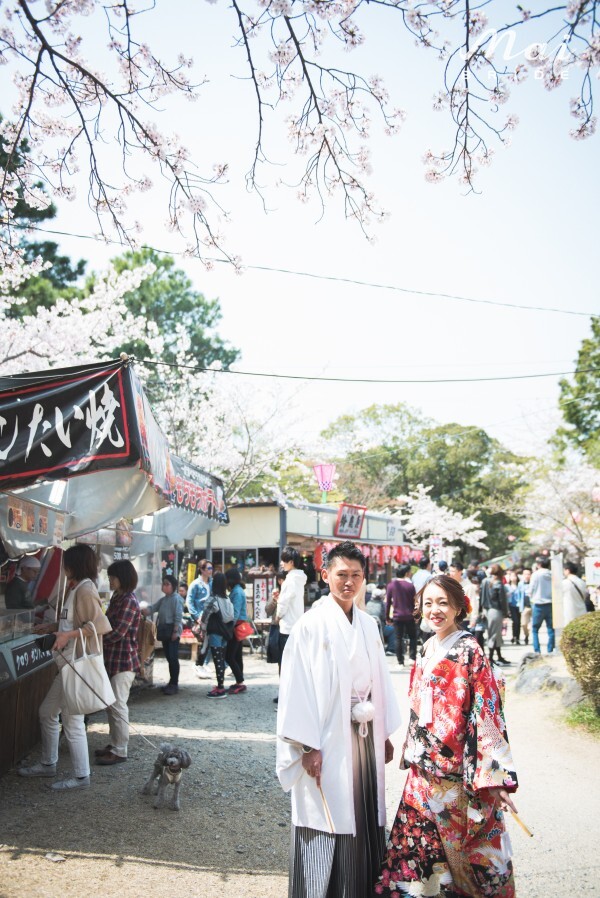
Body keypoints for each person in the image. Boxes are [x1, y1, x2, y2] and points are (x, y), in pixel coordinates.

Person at [374, 574, 519, 898]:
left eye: (443, 603)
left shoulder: (470, 650)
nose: (434, 610)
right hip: (423, 770)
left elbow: (487, 711)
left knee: (464, 856)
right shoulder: (428, 646)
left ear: (458, 607)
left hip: (457, 775)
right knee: (418, 851)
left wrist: (495, 776)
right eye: (428, 604)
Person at [276, 541, 401, 898]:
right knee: (326, 809)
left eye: (356, 575)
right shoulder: (310, 625)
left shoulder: (368, 623)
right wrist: (307, 745)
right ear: (325, 574)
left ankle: (360, 888)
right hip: (326, 734)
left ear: (365, 577)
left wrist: (383, 733)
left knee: (362, 809)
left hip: (363, 731)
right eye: (341, 574)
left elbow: (379, 679)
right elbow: (296, 687)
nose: (349, 582)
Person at [18, 544, 111, 791]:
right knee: (47, 712)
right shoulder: (76, 587)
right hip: (68, 665)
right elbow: (75, 621)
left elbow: (100, 626)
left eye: (66, 563)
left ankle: (81, 776)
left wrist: (67, 635)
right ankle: (49, 764)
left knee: (72, 721)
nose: (62, 568)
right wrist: (52, 629)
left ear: (74, 564)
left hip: (77, 666)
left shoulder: (86, 589)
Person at [96, 560, 142, 766]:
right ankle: (114, 744)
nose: (109, 581)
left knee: (118, 706)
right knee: (112, 705)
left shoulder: (129, 600)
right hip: (114, 659)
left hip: (124, 660)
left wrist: (94, 638)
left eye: (112, 577)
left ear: (122, 578)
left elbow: (117, 633)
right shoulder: (118, 597)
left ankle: (120, 750)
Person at [272, 546, 307, 704]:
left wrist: (277, 616)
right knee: (294, 664)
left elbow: (283, 603)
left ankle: (286, 696)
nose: (281, 563)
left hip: (287, 627)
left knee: (285, 664)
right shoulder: (299, 579)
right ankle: (292, 695)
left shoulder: (290, 580)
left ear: (291, 562)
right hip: (297, 625)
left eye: (284, 560)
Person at [143, 574, 183, 694]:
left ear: (173, 586)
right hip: (165, 631)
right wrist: (143, 610)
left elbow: (178, 616)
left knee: (173, 658)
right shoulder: (164, 599)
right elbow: (153, 608)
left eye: (167, 584)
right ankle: (171, 682)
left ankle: (174, 684)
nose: (164, 586)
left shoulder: (177, 599)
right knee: (169, 657)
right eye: (163, 584)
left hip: (172, 631)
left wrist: (175, 631)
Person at [201, 572, 233, 698]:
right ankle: (220, 685)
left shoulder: (213, 599)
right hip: (225, 632)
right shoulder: (227, 599)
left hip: (215, 632)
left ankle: (220, 688)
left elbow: (205, 616)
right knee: (221, 659)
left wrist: (202, 628)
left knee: (217, 660)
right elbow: (231, 616)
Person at [386, 564, 417, 667]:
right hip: (409, 615)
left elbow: (388, 603)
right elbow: (414, 602)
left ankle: (400, 662)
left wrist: (387, 617)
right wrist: (416, 615)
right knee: (412, 637)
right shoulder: (410, 586)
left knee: (398, 638)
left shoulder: (391, 585)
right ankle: (412, 658)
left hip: (397, 616)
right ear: (406, 573)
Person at [480, 564, 511, 665]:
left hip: (487, 610)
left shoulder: (485, 581)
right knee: (494, 635)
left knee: (495, 634)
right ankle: (491, 658)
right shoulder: (498, 583)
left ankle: (499, 656)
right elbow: (502, 600)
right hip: (496, 611)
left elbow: (482, 597)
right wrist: (506, 612)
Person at [225, 566, 248, 694]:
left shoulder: (237, 592)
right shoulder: (237, 590)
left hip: (236, 627)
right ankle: (240, 682)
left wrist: (229, 627)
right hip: (239, 626)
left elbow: (235, 612)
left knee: (229, 656)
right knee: (237, 655)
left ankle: (240, 681)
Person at [530, 557, 554, 654]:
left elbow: (531, 588)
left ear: (539, 564)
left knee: (535, 629)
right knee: (551, 629)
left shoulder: (536, 574)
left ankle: (537, 651)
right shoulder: (552, 574)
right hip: (550, 603)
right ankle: (550, 649)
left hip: (538, 604)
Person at [562, 561, 589, 625]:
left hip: (569, 611)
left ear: (568, 570)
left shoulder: (565, 583)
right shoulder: (582, 582)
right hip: (582, 610)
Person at [515, 568, 532, 645]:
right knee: (523, 624)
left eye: (528, 574)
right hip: (524, 606)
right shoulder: (520, 584)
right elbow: (518, 595)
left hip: (533, 606)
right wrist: (518, 604)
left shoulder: (533, 583)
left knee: (532, 624)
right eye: (525, 574)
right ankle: (526, 635)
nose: (527, 576)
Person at [505, 569, 521, 645]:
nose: (514, 577)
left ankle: (517, 637)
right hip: (511, 606)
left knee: (519, 622)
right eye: (512, 576)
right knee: (515, 621)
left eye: (515, 576)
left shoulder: (520, 585)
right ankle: (514, 636)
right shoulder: (507, 586)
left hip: (519, 606)